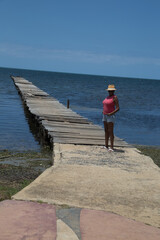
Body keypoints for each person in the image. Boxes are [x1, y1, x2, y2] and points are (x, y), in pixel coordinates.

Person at [102, 84, 119, 151]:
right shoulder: (107, 97)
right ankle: (106, 145)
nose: (110, 92)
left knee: (110, 131)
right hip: (104, 115)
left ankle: (111, 147)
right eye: (109, 91)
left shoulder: (115, 97)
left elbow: (118, 108)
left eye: (111, 91)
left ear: (113, 91)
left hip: (111, 116)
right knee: (106, 131)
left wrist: (110, 113)